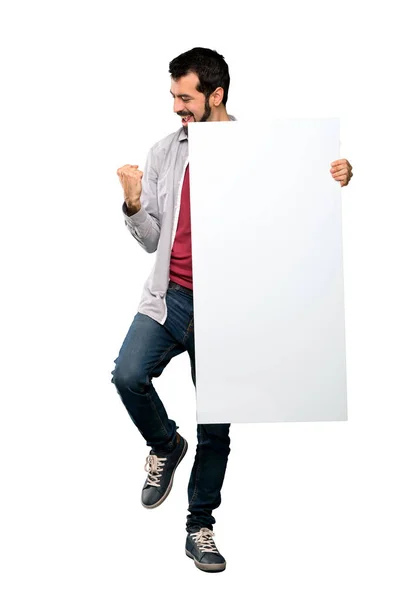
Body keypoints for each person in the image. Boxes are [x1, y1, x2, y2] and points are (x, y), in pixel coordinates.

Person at [111, 47, 353, 574]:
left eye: (185, 97)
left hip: (229, 307)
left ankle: (200, 524)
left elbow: (296, 205)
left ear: (215, 95)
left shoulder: (260, 151)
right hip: (168, 297)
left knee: (215, 427)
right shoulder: (161, 152)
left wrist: (336, 176)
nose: (177, 106)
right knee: (128, 375)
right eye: (173, 96)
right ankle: (163, 444)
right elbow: (151, 239)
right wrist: (132, 204)